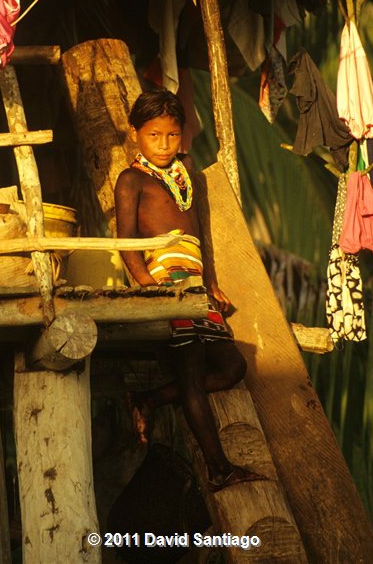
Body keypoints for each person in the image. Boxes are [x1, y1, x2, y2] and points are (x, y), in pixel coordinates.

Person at [114, 89, 266, 492]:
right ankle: (219, 469)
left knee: (233, 367)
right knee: (194, 376)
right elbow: (126, 241)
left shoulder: (187, 169)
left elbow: (200, 231)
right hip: (165, 285)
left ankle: (150, 398)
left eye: (172, 135)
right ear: (135, 134)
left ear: (182, 134)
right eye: (154, 135)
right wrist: (150, 290)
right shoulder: (131, 179)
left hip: (195, 286)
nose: (164, 144)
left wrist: (210, 282)